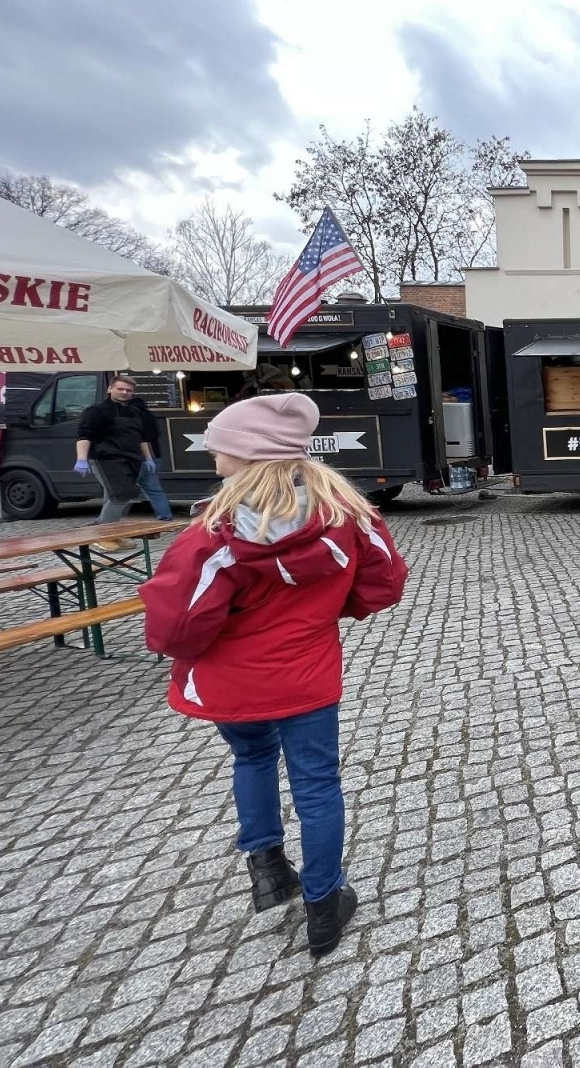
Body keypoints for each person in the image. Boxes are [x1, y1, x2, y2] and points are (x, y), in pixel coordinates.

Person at [140, 393, 409, 957]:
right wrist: (329, 610)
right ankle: (324, 905)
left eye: (220, 449)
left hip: (231, 680)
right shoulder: (348, 514)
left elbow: (177, 622)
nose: (212, 458)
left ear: (247, 457)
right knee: (317, 784)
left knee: (252, 758)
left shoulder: (212, 533)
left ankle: (267, 871)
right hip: (307, 677)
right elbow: (383, 582)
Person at [75, 376, 157, 539]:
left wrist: (148, 458)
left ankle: (109, 531)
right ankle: (105, 536)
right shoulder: (96, 411)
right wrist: (81, 458)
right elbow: (84, 435)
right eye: (120, 389)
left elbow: (142, 438)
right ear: (110, 389)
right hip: (107, 458)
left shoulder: (135, 413)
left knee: (113, 496)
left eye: (129, 390)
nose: (125, 392)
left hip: (132, 459)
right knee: (122, 494)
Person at [131, 388, 174, 522]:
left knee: (121, 489)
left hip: (139, 456)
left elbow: (140, 438)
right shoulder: (149, 416)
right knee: (154, 488)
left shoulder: (133, 417)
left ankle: (109, 520)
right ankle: (165, 515)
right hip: (155, 455)